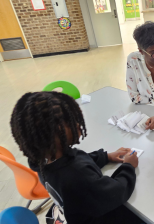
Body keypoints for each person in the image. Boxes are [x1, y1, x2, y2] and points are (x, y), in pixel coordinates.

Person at [10, 91, 143, 224]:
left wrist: (105, 157)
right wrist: (128, 166)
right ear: (55, 133)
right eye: (72, 122)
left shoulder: (42, 159)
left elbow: (81, 158)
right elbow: (116, 193)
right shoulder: (76, 175)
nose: (79, 125)